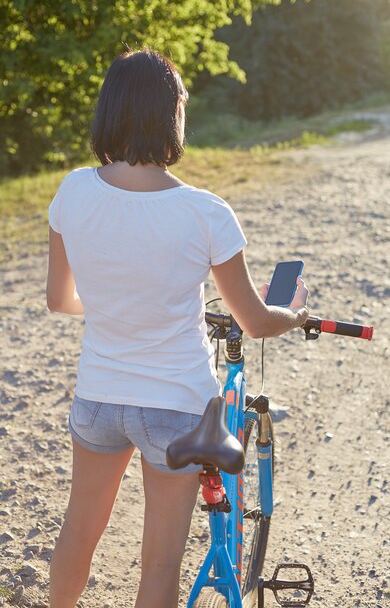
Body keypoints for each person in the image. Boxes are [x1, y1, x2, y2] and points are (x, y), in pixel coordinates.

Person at [46, 49, 309, 608]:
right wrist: (296, 312)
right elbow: (255, 323)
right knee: (160, 564)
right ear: (173, 116)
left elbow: (59, 299)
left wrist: (117, 302)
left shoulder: (72, 191)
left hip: (97, 398)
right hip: (175, 406)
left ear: (109, 110)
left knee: (77, 534)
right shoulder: (205, 211)